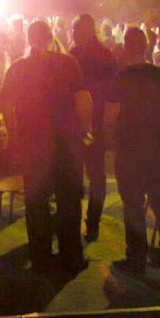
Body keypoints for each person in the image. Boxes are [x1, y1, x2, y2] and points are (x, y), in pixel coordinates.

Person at [0, 19, 93, 276]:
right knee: (69, 201)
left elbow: (5, 105)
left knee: (36, 201)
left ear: (29, 39)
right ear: (51, 37)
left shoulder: (17, 68)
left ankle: (40, 257)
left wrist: (14, 136)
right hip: (67, 144)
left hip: (34, 144)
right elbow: (82, 99)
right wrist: (85, 129)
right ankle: (71, 258)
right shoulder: (68, 63)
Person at [105, 27, 160, 275]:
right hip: (156, 148)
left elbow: (111, 114)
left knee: (133, 204)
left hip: (129, 148)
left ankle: (136, 258)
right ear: (146, 46)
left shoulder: (121, 77)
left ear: (126, 47)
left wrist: (110, 143)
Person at [69, 13, 117, 242]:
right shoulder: (107, 55)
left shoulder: (74, 55)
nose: (71, 33)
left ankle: (71, 220)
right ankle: (93, 223)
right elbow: (113, 96)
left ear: (83, 31)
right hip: (96, 126)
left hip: (79, 126)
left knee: (75, 171)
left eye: (74, 29)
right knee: (96, 174)